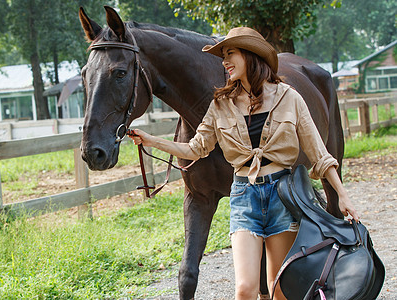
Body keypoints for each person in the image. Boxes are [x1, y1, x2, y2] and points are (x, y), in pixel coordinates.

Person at [128, 27, 359, 300]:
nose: (224, 62)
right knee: (245, 289)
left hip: (281, 198)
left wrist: (342, 195)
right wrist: (151, 140)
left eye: (230, 54)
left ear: (251, 55)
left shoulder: (289, 98)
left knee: (277, 289)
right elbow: (195, 148)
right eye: (223, 55)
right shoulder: (221, 104)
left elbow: (319, 154)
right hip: (244, 197)